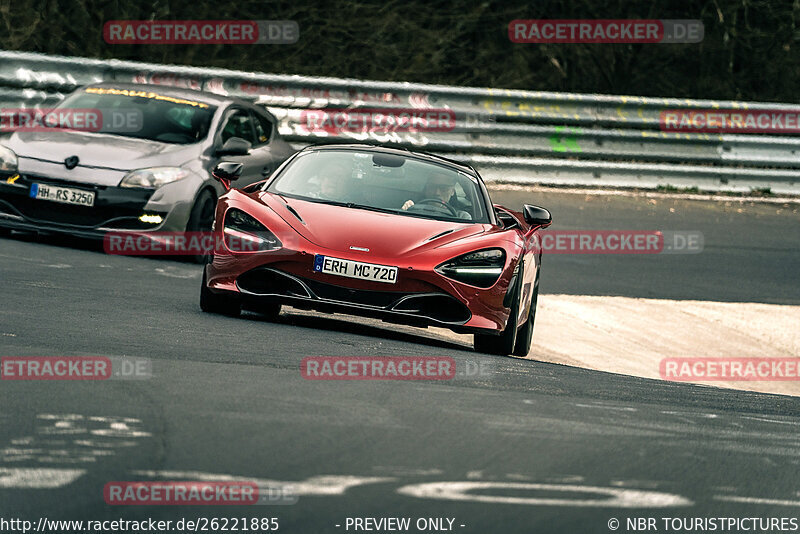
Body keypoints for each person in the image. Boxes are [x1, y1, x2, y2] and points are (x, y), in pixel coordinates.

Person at [401, 171, 471, 219]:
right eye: (432, 187)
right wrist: (405, 212)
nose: (437, 193)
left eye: (443, 188)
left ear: (452, 191)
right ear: (426, 189)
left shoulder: (462, 217)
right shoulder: (412, 208)